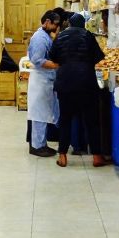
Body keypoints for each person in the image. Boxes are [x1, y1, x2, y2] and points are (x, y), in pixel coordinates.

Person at [49, 13, 107, 168]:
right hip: (86, 83)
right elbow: (98, 57)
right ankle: (96, 157)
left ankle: (62, 156)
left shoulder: (60, 36)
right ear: (83, 24)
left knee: (65, 119)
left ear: (69, 23)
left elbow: (53, 57)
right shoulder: (87, 35)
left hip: (65, 83)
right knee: (92, 120)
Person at [26, 10, 61, 157]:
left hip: (45, 80)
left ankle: (41, 143)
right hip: (41, 80)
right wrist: (57, 65)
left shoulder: (45, 36)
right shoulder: (40, 38)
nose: (56, 28)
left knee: (44, 113)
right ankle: (37, 146)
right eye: (55, 24)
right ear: (47, 22)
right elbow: (37, 60)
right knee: (39, 114)